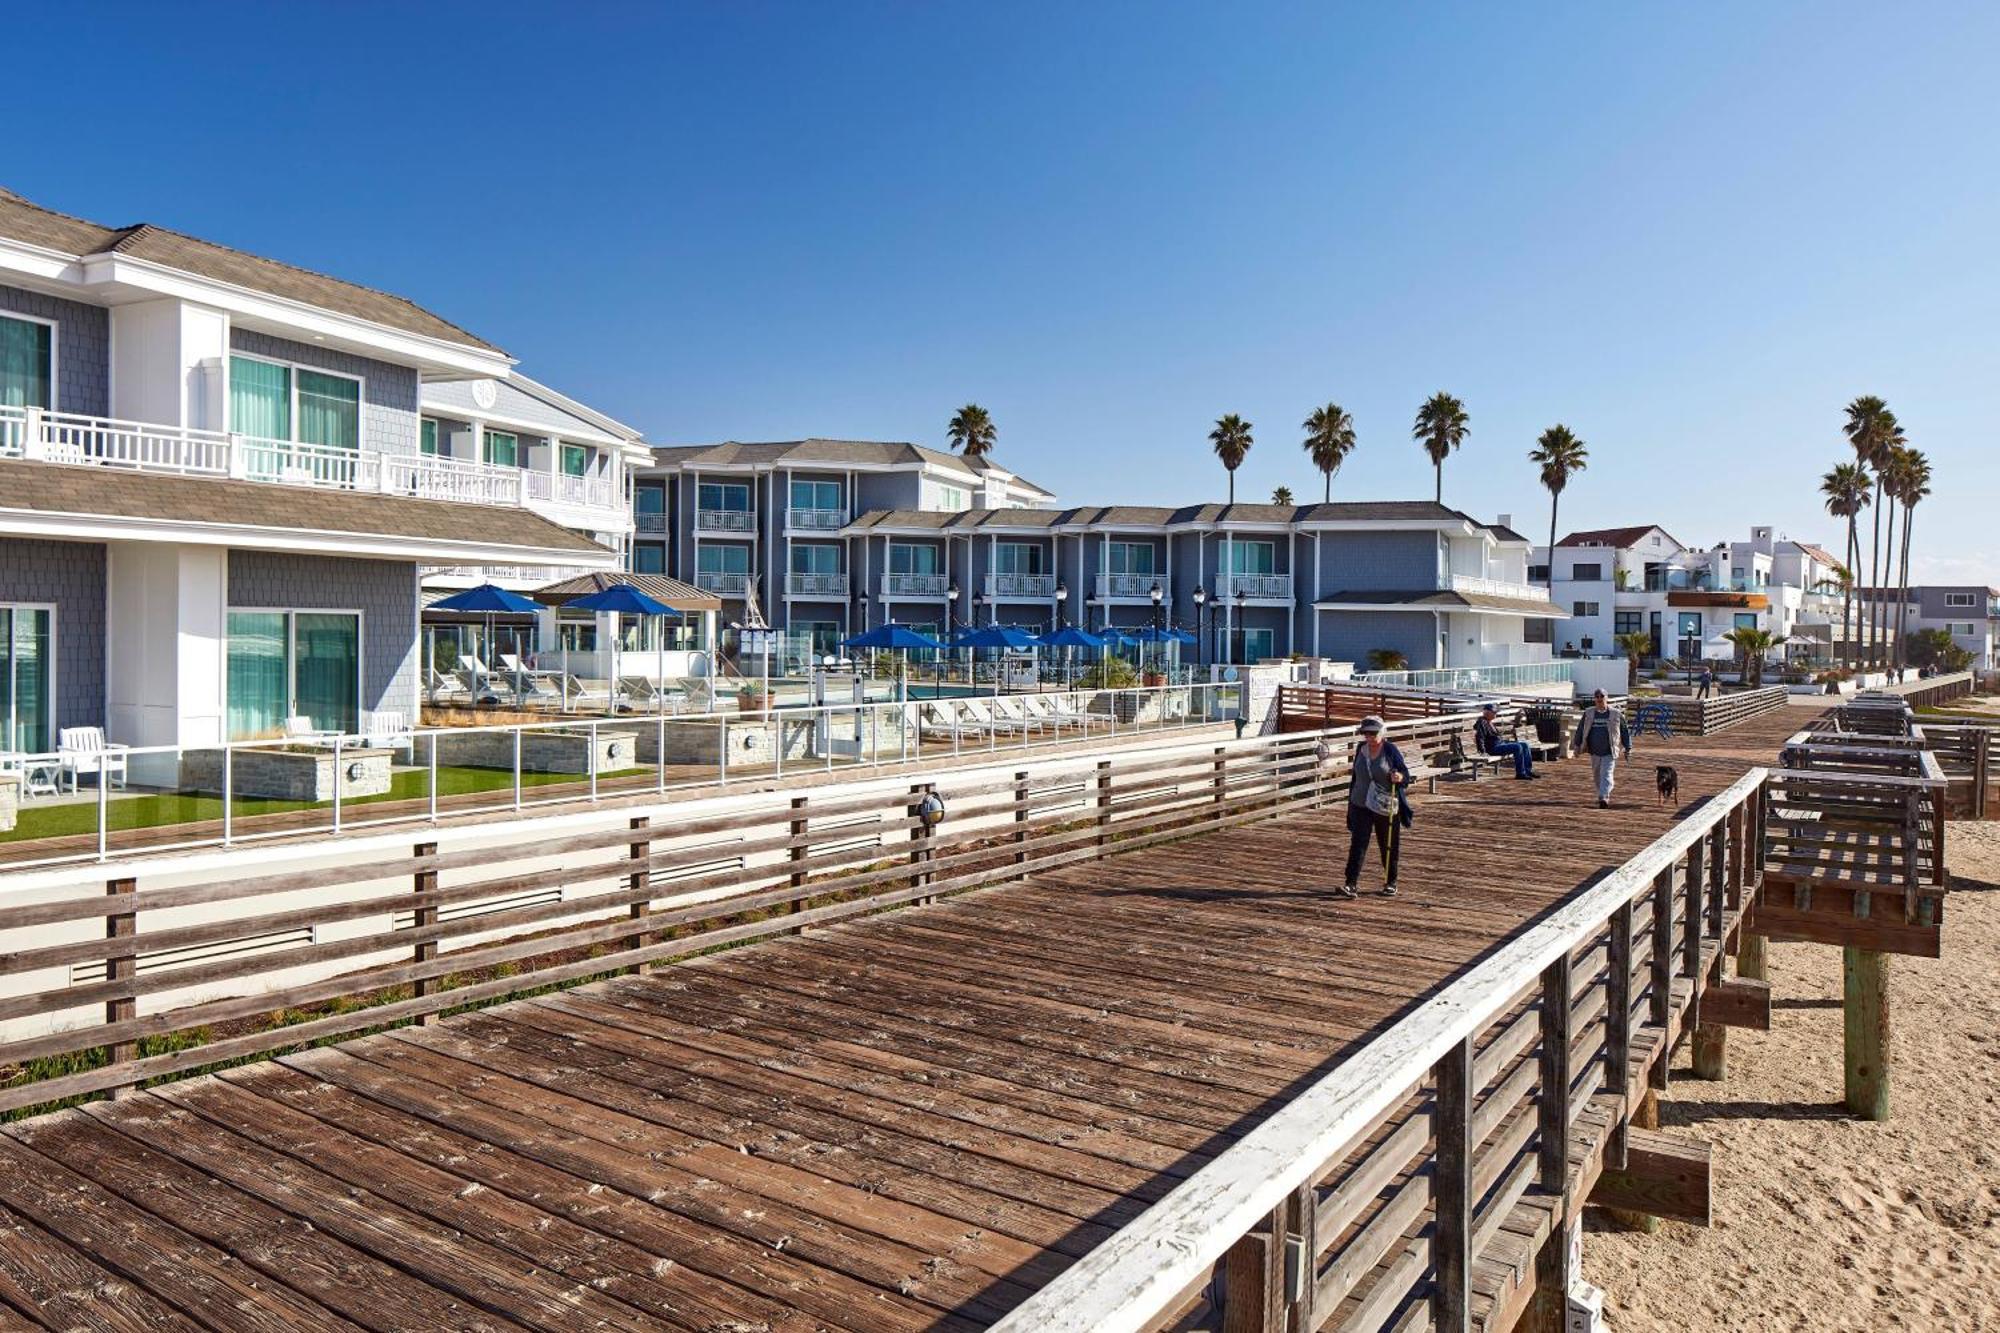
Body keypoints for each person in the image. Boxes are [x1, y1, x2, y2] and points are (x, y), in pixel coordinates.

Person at [1340, 715, 1409, 898]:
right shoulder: (1360, 748)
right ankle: (1350, 884)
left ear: (1381, 732)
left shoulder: (1390, 749)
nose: (1368, 737)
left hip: (1383, 804)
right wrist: (1350, 804)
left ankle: (1390, 882)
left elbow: (1405, 775)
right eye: (1365, 733)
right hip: (1360, 803)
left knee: (1388, 844)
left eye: (1372, 733)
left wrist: (1399, 778)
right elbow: (1355, 777)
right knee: (1358, 844)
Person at [1573, 689, 1632, 808]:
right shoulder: (1589, 712)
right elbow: (1580, 729)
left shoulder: (1616, 713)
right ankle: (1601, 793)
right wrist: (1577, 745)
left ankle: (1604, 797)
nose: (1599, 698)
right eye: (1597, 696)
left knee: (1606, 773)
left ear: (1607, 698)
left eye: (1602, 696)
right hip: (1594, 750)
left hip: (1609, 750)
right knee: (1597, 775)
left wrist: (1628, 747)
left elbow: (1624, 730)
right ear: (1595, 699)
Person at [1474, 703, 1539, 780]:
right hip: (1493, 748)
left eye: (1496, 712)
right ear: (1486, 712)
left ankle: (1528, 770)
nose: (1495, 714)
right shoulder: (1482, 722)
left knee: (1525, 745)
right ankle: (1520, 773)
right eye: (1494, 712)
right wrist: (1483, 751)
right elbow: (1480, 737)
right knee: (1517, 747)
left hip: (1500, 744)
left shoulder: (1489, 722)